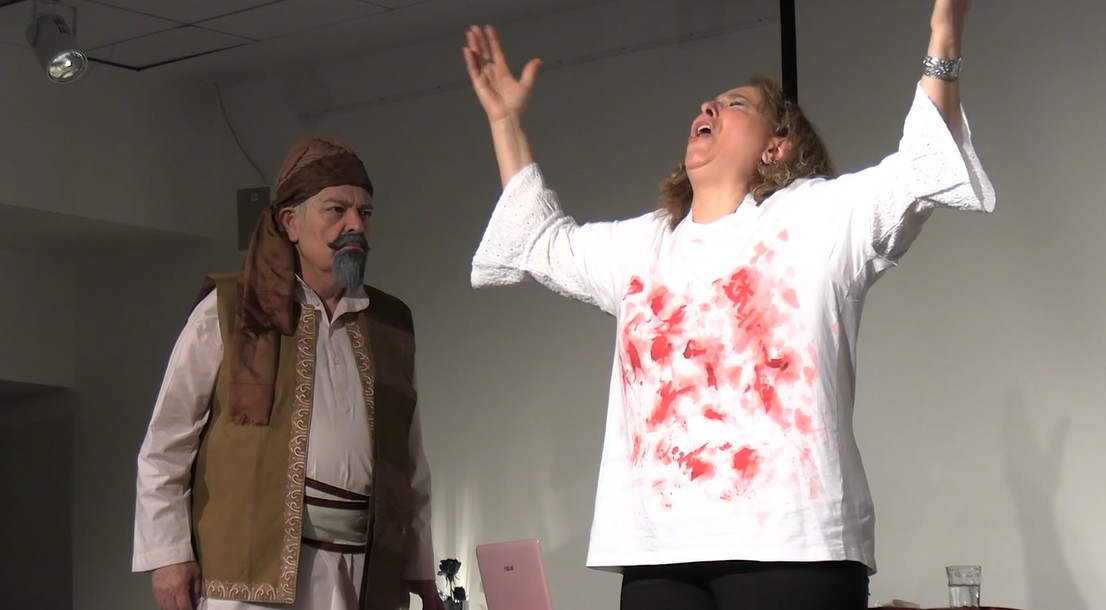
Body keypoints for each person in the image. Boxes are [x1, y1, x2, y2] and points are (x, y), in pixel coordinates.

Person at [462, 0, 993, 608]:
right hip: (659, 554)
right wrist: (505, 122)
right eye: (708, 103)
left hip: (792, 549)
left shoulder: (816, 217)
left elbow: (918, 169)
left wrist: (944, 39)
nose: (708, 107)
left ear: (776, 146)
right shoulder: (643, 245)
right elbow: (541, 240)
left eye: (736, 104)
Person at [133, 136, 445, 610]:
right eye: (336, 210)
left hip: (363, 574)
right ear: (290, 223)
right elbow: (167, 443)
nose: (355, 225)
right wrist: (168, 555)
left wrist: (419, 566)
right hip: (252, 575)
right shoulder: (230, 309)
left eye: (365, 213)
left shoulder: (389, 324)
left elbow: (410, 462)